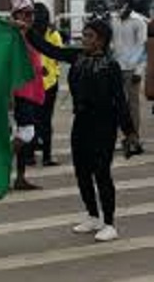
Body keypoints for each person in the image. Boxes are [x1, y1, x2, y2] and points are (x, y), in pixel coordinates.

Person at [16, 18, 139, 242]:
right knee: (82, 171)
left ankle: (110, 223)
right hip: (81, 121)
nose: (85, 39)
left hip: (104, 124)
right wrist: (28, 31)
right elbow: (50, 49)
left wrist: (129, 132)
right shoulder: (77, 56)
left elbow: (120, 101)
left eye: (89, 36)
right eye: (84, 35)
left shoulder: (111, 66)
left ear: (101, 40)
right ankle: (93, 215)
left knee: (101, 173)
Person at [10, 0, 44, 190]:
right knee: (27, 133)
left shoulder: (31, 35)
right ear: (17, 15)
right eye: (25, 14)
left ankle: (20, 177)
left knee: (26, 134)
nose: (30, 17)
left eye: (32, 14)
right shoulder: (13, 36)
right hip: (19, 92)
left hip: (32, 90)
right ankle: (1, 158)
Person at [111, 0, 147, 151]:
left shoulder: (138, 21)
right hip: (116, 68)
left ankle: (135, 139)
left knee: (133, 105)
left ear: (128, 5)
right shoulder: (114, 19)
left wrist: (139, 71)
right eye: (117, 3)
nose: (117, 5)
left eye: (120, 3)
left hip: (132, 69)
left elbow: (143, 48)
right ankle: (125, 137)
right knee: (118, 104)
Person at [33, 2, 62, 167]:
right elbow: (57, 56)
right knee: (45, 120)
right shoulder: (53, 34)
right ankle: (46, 156)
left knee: (33, 120)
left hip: (37, 83)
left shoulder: (30, 34)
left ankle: (30, 155)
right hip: (48, 82)